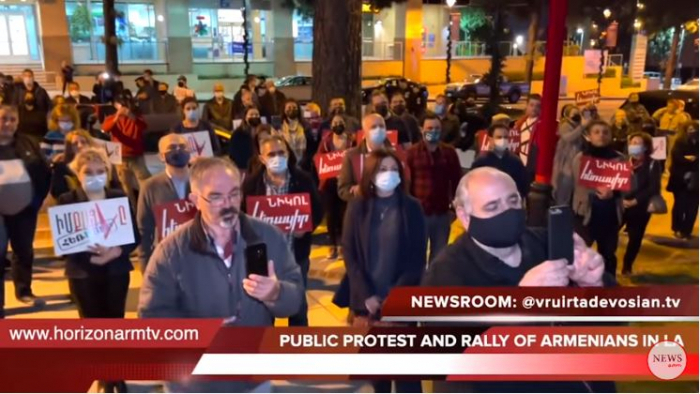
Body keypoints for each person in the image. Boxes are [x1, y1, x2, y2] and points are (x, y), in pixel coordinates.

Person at [422, 167, 613, 393]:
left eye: (513, 201)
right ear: (464, 217)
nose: (508, 212)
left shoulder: (546, 243)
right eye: (492, 207)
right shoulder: (445, 274)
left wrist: (593, 284)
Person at [138, 157, 303, 392]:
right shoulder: (171, 250)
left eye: (234, 194)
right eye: (216, 197)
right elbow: (150, 319)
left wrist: (277, 293)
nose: (228, 204)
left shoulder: (268, 236)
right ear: (195, 200)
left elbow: (295, 299)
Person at [342, 149, 425, 392]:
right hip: (368, 303)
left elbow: (417, 258)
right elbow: (350, 253)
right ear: (370, 175)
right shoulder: (358, 206)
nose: (389, 174)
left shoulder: (411, 207)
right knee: (379, 377)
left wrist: (395, 297)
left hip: (400, 300)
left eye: (393, 170)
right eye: (382, 170)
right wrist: (366, 294)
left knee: (407, 376)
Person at [242, 136, 323, 326]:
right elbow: (242, 218)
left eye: (281, 153)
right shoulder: (251, 185)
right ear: (262, 158)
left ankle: (298, 350)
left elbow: (318, 209)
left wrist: (307, 228)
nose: (277, 157)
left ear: (288, 154)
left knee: (298, 308)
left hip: (296, 256)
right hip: (263, 259)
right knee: (263, 309)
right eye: (271, 154)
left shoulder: (303, 179)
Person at [58, 147, 138, 318]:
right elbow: (63, 242)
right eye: (88, 172)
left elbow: (134, 235)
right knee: (90, 322)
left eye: (100, 171)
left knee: (115, 319)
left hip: (116, 270)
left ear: (108, 173)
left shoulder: (118, 198)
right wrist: (93, 256)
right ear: (77, 174)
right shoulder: (67, 201)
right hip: (83, 272)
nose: (95, 176)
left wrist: (116, 251)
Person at [0, 105, 51, 309]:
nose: (8, 123)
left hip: (25, 210)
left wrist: (38, 200)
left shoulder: (28, 143)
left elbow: (43, 172)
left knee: (23, 251)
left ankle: (24, 291)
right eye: (3, 119)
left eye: (12, 119)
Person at [571, 121, 625, 276]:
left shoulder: (619, 159)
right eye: (597, 132)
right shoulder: (580, 159)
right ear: (588, 136)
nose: (601, 135)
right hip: (584, 215)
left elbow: (627, 188)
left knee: (608, 255)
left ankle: (608, 288)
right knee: (581, 255)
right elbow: (574, 186)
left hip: (609, 216)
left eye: (605, 132)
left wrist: (613, 192)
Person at [406, 112, 461, 263]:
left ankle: (434, 284)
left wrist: (455, 206)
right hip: (418, 213)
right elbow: (407, 183)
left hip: (442, 213)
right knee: (417, 255)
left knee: (439, 256)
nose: (433, 131)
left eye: (437, 128)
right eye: (429, 128)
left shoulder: (449, 153)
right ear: (421, 129)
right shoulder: (411, 153)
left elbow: (457, 181)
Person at [137, 134, 191, 273]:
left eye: (182, 147)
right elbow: (144, 230)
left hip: (200, 259)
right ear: (161, 156)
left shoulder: (203, 181)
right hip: (168, 261)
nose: (178, 150)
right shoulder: (150, 186)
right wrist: (145, 267)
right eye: (172, 147)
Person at [621, 132, 662, 276]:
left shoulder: (652, 164)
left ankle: (627, 266)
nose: (634, 146)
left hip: (640, 208)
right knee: (609, 234)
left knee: (635, 238)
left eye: (638, 143)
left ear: (645, 147)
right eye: (632, 143)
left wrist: (635, 201)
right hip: (621, 205)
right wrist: (621, 200)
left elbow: (654, 187)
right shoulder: (623, 161)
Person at [101, 94, 151, 207]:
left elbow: (143, 127)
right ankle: (132, 211)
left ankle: (147, 206)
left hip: (136, 156)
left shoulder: (136, 117)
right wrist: (117, 117)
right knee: (125, 187)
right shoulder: (111, 118)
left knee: (145, 182)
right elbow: (105, 129)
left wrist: (130, 116)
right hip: (120, 157)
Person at [317, 115, 355, 259]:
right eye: (335, 123)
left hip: (346, 182)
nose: (338, 125)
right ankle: (332, 245)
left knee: (345, 215)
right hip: (330, 183)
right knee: (331, 215)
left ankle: (343, 246)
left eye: (341, 122)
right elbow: (320, 159)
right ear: (331, 125)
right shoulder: (326, 141)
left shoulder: (352, 140)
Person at [338, 114, 396, 202]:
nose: (378, 130)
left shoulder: (396, 153)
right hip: (363, 210)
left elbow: (405, 185)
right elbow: (343, 190)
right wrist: (358, 192)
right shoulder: (351, 156)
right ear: (364, 133)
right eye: (373, 127)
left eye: (381, 126)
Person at [50, 129, 121, 200]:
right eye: (75, 144)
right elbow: (57, 193)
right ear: (70, 148)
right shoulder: (61, 167)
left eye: (83, 142)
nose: (80, 146)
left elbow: (116, 186)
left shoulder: (105, 162)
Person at [472, 123, 530, 199]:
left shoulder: (515, 161)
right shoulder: (481, 161)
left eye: (505, 137)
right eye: (499, 137)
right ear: (490, 139)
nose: (502, 140)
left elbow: (523, 187)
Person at [667, 121, 699, 240]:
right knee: (680, 205)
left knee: (693, 207)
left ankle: (687, 231)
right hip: (680, 180)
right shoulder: (680, 142)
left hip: (696, 180)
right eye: (689, 129)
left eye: (694, 129)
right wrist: (688, 160)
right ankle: (677, 228)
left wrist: (694, 159)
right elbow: (677, 158)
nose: (692, 132)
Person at [552, 104, 587, 206]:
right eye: (574, 114)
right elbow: (568, 137)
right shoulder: (565, 125)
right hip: (566, 166)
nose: (577, 116)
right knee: (564, 193)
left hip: (577, 165)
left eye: (578, 113)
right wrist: (582, 127)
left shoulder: (580, 125)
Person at [513, 93, 541, 183]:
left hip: (532, 162)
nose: (534, 108)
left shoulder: (541, 124)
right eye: (531, 105)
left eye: (537, 106)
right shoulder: (519, 123)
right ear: (527, 105)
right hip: (519, 159)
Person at [228, 106, 261, 171]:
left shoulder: (263, 132)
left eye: (256, 115)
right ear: (245, 117)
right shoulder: (238, 134)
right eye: (251, 115)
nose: (254, 117)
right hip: (244, 168)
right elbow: (233, 153)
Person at [276, 99, 308, 165]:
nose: (292, 109)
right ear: (284, 110)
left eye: (294, 107)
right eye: (289, 107)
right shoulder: (278, 126)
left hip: (303, 161)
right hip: (284, 160)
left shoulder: (305, 125)